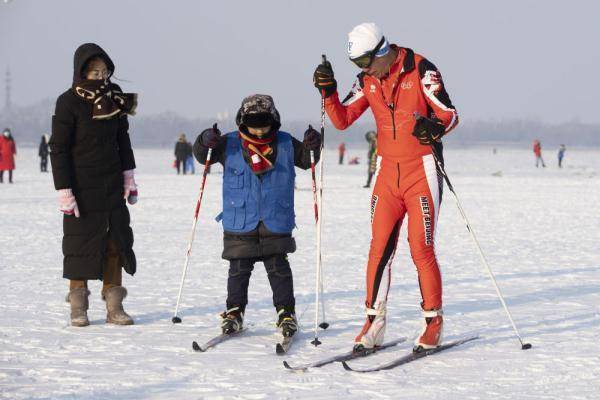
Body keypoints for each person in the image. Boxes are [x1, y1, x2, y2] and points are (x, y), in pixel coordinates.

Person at [313, 22, 459, 352]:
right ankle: (374, 321)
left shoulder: (422, 69)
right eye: (357, 66)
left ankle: (433, 322)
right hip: (386, 173)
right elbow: (342, 119)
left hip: (421, 170)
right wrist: (328, 91)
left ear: (382, 51)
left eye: (365, 63)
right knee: (379, 247)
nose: (363, 71)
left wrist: (433, 127)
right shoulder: (367, 79)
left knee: (420, 247)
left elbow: (449, 114)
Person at [193, 94, 321, 338]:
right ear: (243, 122)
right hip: (240, 217)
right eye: (255, 127)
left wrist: (315, 145)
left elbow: (307, 160)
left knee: (279, 269)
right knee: (238, 269)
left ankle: (286, 313)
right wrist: (203, 140)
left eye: (265, 127)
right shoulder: (228, 142)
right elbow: (202, 156)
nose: (260, 132)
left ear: (274, 121)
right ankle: (234, 311)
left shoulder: (285, 143)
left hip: (276, 217)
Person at [49, 43, 138, 327]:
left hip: (111, 184)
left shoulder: (115, 101)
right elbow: (59, 148)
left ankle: (114, 306)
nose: (101, 76)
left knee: (116, 243)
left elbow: (122, 140)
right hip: (80, 187)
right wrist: (63, 189)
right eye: (94, 71)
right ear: (81, 72)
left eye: (104, 71)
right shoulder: (68, 102)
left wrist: (129, 176)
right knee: (80, 245)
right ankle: (78, 306)